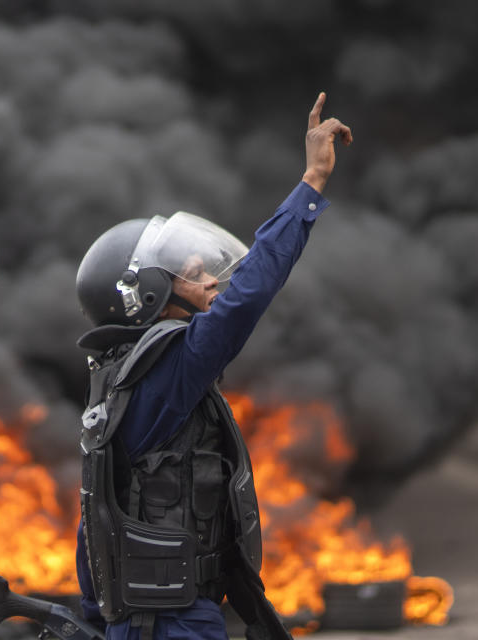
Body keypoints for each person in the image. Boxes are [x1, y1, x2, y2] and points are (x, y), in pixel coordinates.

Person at [74, 93, 352, 640]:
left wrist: (96, 616)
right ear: (147, 295)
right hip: (172, 622)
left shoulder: (118, 375)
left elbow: (95, 514)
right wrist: (311, 183)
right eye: (194, 275)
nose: (210, 284)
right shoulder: (164, 369)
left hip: (155, 617)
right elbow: (247, 296)